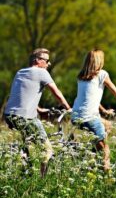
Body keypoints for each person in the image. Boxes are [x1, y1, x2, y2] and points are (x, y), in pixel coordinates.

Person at [71, 49, 116, 171]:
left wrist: (104, 111)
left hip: (76, 116)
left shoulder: (81, 76)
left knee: (108, 125)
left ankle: (92, 156)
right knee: (105, 149)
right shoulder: (102, 74)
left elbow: (89, 97)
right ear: (100, 61)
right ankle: (107, 176)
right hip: (89, 117)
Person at [4, 48, 71, 177]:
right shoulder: (41, 72)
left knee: (26, 146)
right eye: (47, 61)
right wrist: (68, 108)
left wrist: (39, 109)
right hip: (25, 117)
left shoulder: (20, 72)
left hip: (9, 115)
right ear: (37, 61)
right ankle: (42, 180)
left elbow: (22, 95)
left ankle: (24, 175)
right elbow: (56, 92)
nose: (49, 64)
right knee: (47, 150)